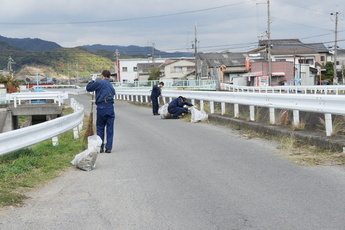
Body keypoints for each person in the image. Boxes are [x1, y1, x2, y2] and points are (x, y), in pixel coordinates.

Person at [86, 70, 116, 153]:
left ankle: (101, 147)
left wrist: (92, 80)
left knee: (100, 127)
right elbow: (113, 93)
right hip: (110, 107)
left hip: (101, 107)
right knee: (110, 128)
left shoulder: (100, 83)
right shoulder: (110, 86)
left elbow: (88, 88)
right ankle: (109, 148)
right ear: (109, 77)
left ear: (102, 76)